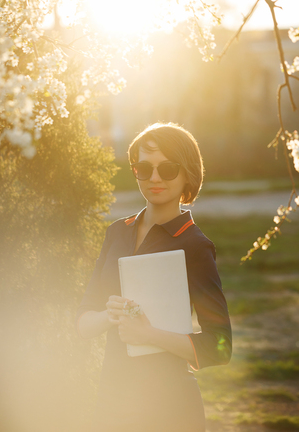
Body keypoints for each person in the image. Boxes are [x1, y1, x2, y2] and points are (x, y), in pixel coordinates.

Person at [76, 122, 232, 432]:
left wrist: (149, 335)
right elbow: (82, 323)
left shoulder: (195, 245)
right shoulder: (116, 232)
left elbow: (220, 346)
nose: (155, 178)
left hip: (170, 407)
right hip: (113, 400)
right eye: (144, 168)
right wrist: (110, 316)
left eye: (168, 168)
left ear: (188, 173)